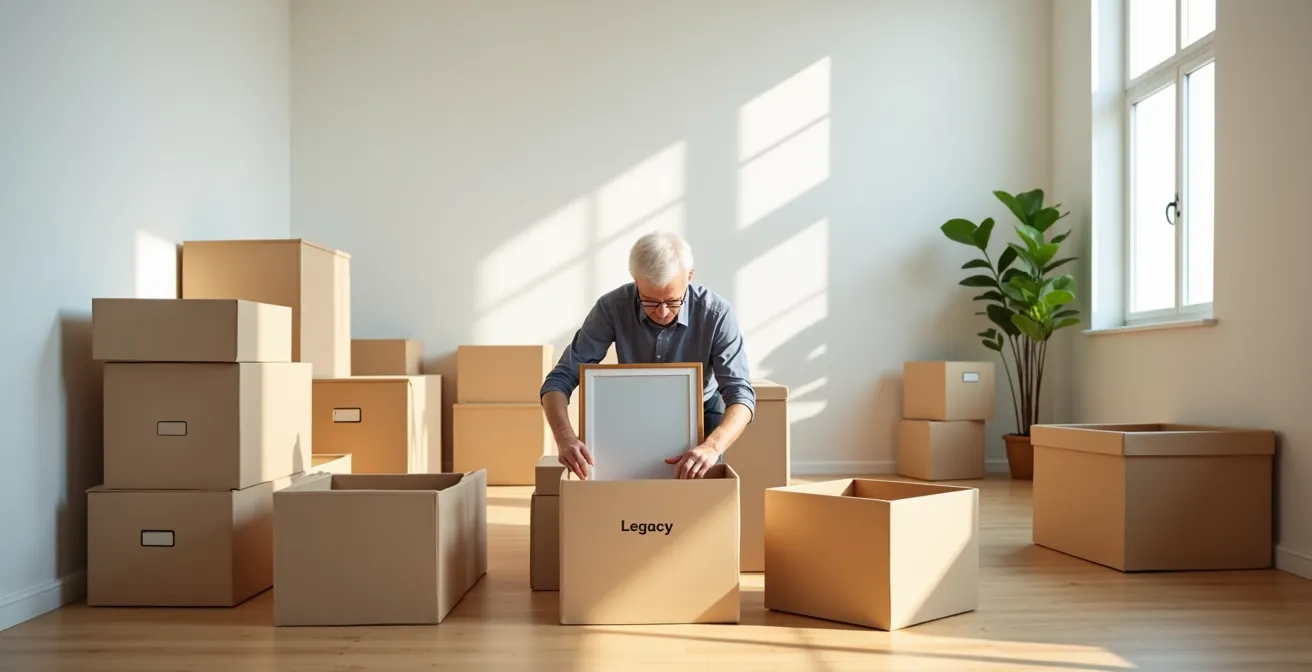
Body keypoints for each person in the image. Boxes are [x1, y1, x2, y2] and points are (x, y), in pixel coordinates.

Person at [539, 231, 756, 480]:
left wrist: (712, 446)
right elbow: (560, 379)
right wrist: (565, 438)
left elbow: (741, 393)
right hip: (631, 408)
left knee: (700, 481)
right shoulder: (611, 308)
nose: (662, 312)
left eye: (673, 301)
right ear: (636, 281)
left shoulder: (717, 314)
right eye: (650, 301)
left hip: (702, 411)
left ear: (690, 276)